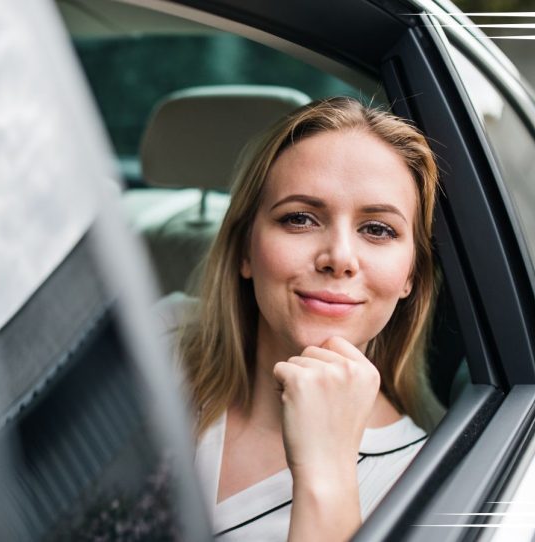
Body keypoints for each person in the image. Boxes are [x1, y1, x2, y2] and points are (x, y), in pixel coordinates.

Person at [158, 96, 445, 541]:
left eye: (378, 229)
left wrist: (328, 477)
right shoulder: (157, 339)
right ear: (245, 250)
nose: (340, 258)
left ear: (410, 275)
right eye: (299, 219)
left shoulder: (426, 486)